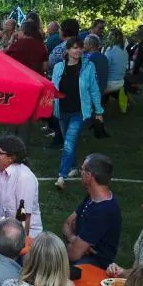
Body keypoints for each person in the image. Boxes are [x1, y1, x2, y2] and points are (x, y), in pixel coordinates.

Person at [50, 35, 104, 188]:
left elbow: (94, 89)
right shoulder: (58, 67)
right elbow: (53, 88)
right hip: (62, 111)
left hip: (79, 112)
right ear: (67, 50)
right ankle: (74, 167)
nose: (78, 50)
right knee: (70, 142)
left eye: (80, 47)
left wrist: (99, 111)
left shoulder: (89, 66)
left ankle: (61, 176)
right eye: (74, 47)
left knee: (68, 142)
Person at [62, 153, 121, 269]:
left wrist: (73, 244)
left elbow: (73, 254)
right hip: (83, 259)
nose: (80, 172)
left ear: (89, 176)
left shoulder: (103, 211)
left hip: (94, 267)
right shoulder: (92, 198)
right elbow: (67, 224)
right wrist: (73, 239)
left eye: (82, 170)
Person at [0, 134, 42, 233]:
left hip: (19, 234)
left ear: (11, 158)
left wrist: (18, 245)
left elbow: (24, 217)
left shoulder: (24, 178)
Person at [82, 34, 110, 100]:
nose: (83, 46)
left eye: (85, 44)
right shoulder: (103, 57)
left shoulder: (89, 58)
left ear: (91, 46)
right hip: (101, 90)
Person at [103, 33, 128, 97]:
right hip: (121, 82)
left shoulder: (110, 49)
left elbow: (104, 66)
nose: (107, 38)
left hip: (111, 83)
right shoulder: (124, 50)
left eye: (109, 36)